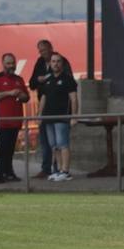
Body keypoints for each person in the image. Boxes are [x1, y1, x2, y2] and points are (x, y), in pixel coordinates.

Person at [29, 39, 72, 178]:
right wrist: (39, 80)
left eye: (45, 50)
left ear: (51, 48)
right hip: (46, 108)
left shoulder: (62, 62)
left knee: (61, 142)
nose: (43, 53)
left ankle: (62, 169)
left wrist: (74, 114)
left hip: (60, 109)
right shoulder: (39, 63)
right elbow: (32, 84)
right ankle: (49, 168)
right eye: (40, 51)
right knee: (48, 142)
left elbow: (71, 90)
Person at [0, 52, 29, 183]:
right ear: (3, 64)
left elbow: (26, 97)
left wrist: (21, 95)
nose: (11, 66)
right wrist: (9, 93)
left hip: (15, 121)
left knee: (10, 149)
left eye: (12, 63)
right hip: (1, 121)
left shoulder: (19, 79)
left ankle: (9, 172)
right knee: (2, 148)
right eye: (8, 63)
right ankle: (0, 173)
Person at [36, 52, 79, 181]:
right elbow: (43, 98)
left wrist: (74, 116)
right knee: (54, 145)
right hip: (48, 117)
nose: (55, 64)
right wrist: (39, 115)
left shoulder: (68, 79)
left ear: (62, 63)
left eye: (58, 61)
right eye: (53, 61)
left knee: (63, 144)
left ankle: (66, 171)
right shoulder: (48, 80)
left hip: (62, 117)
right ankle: (59, 169)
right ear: (50, 63)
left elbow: (74, 98)